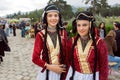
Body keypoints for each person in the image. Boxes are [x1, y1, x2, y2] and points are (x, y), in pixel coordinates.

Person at [66, 11, 108, 80]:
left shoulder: (99, 43)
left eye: (84, 25)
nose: (81, 28)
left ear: (90, 25)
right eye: (78, 25)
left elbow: (104, 67)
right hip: (74, 76)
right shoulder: (72, 41)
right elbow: (68, 62)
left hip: (93, 77)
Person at [32, 4, 67, 80]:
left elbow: (66, 52)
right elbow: (35, 58)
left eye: (56, 15)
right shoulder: (40, 35)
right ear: (46, 18)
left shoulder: (63, 32)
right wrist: (50, 67)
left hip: (62, 72)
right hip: (47, 73)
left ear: (59, 17)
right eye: (50, 16)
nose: (53, 18)